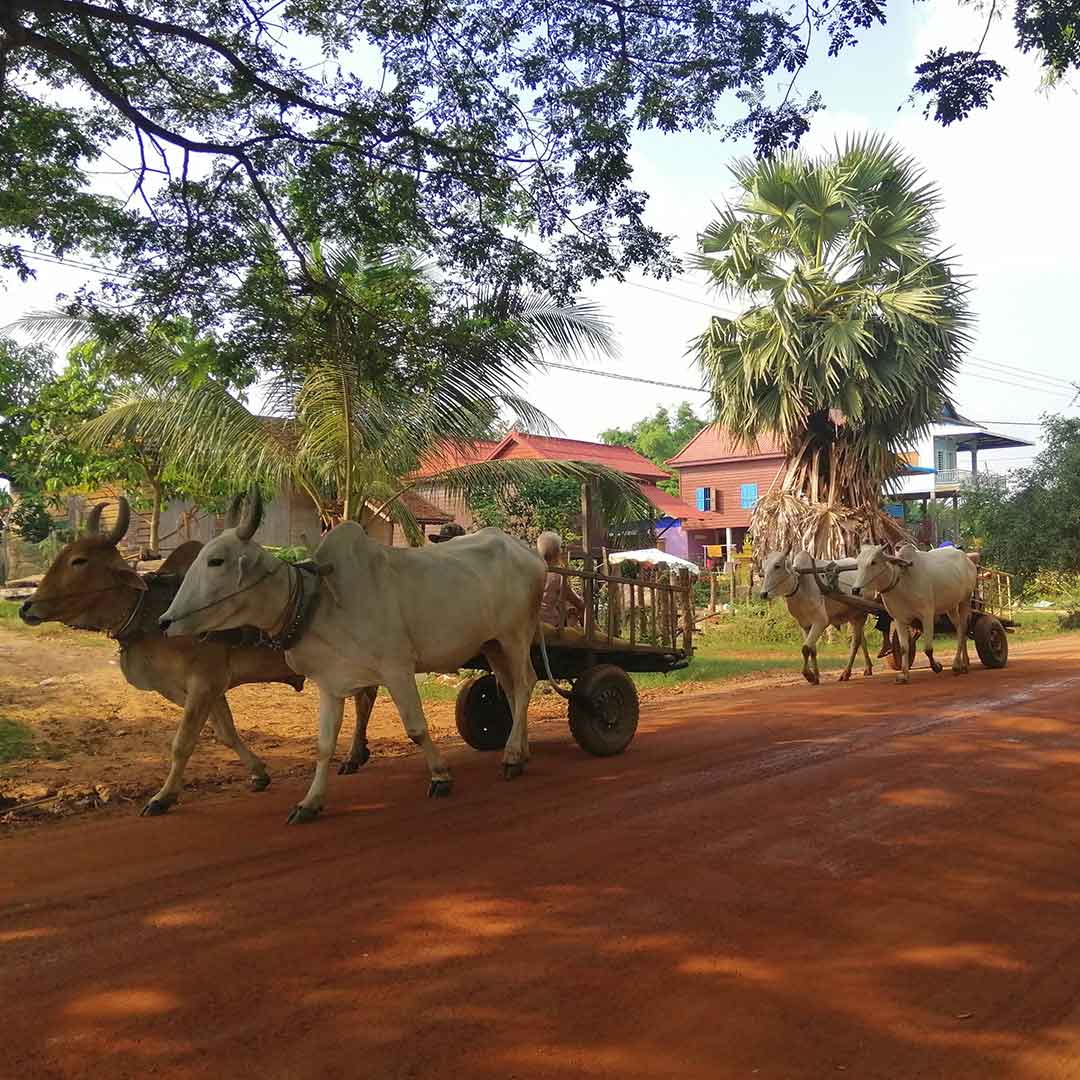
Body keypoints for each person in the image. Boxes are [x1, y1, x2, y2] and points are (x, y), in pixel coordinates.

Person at [537, 530, 585, 630]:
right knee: (574, 612)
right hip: (551, 624)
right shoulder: (557, 576)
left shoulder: (533, 573)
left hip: (533, 621)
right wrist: (582, 604)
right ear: (557, 554)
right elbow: (575, 600)